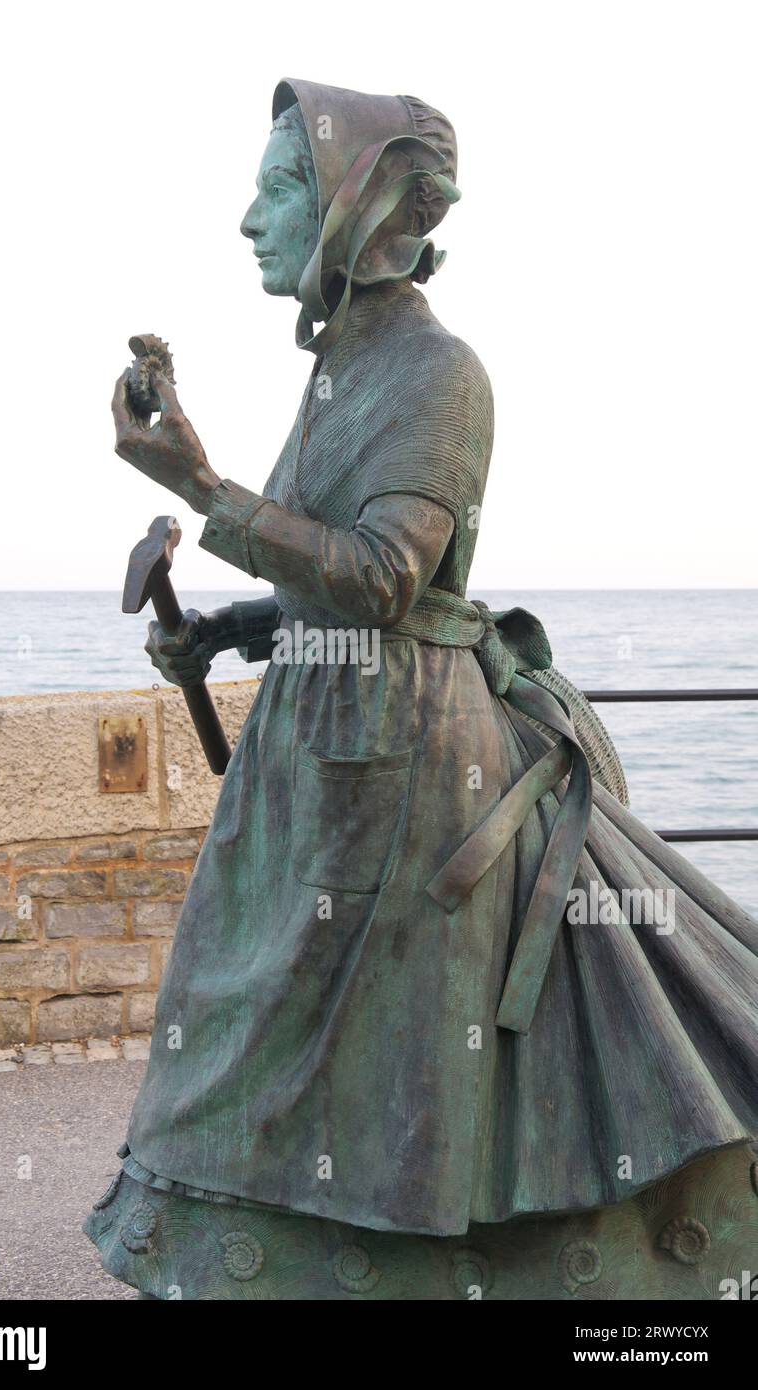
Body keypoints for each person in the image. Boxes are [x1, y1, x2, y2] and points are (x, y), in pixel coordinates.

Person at [84, 78, 758, 1300]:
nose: (249, 218)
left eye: (279, 189)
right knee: (267, 1046)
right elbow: (320, 575)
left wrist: (204, 488)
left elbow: (386, 578)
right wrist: (233, 627)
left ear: (353, 208)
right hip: (324, 756)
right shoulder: (344, 369)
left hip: (405, 773)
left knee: (382, 1076)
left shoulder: (440, 374)